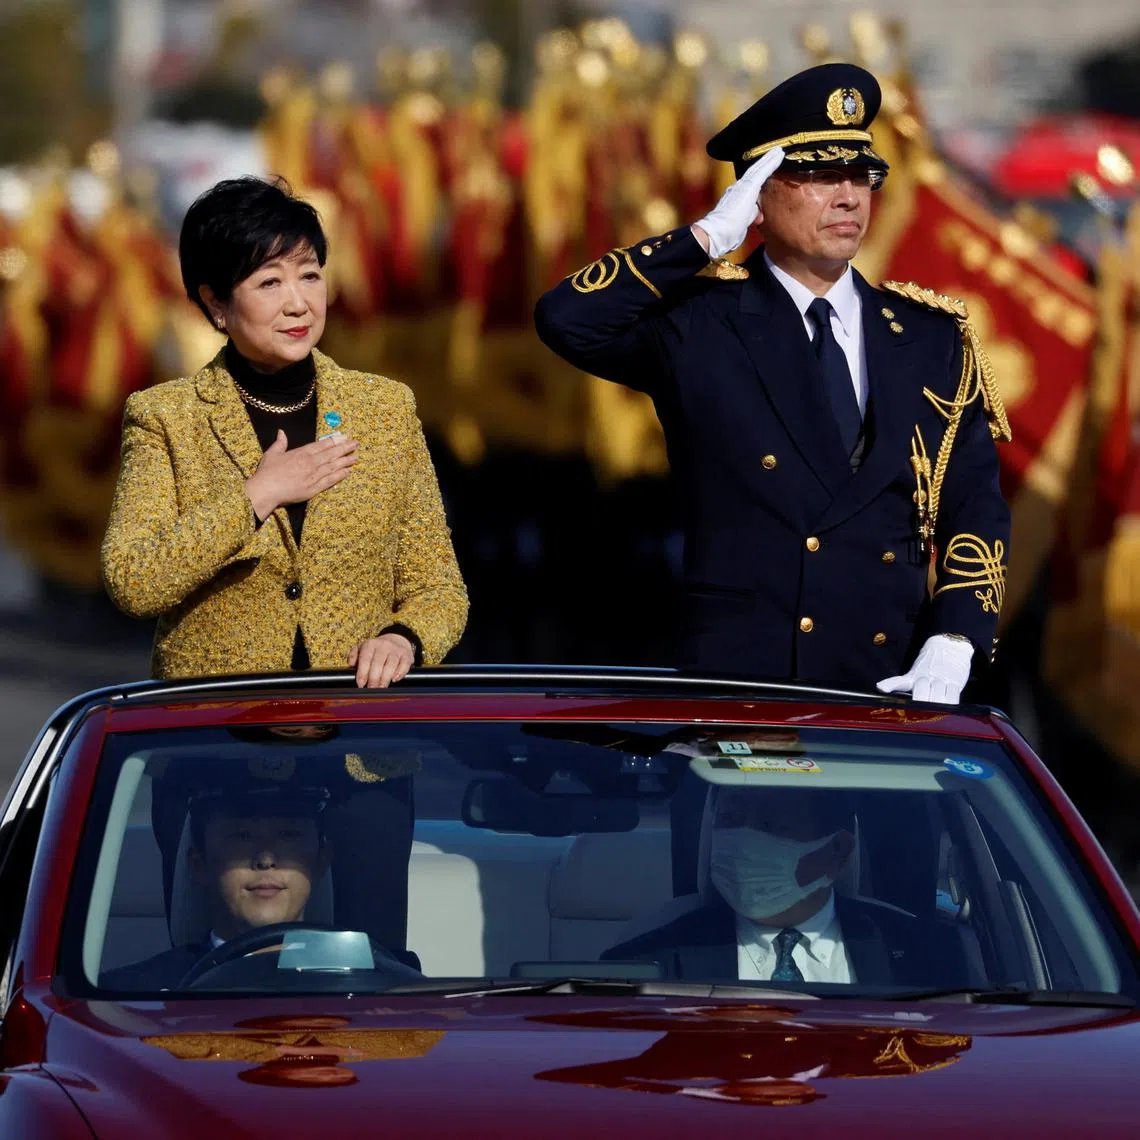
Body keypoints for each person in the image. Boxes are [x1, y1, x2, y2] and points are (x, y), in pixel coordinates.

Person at [534, 63, 1011, 703]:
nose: (849, 197)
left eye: (861, 177)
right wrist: (705, 239)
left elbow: (975, 503)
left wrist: (956, 637)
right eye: (818, 177)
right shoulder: (702, 322)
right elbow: (567, 318)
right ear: (758, 191)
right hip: (746, 687)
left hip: (894, 684)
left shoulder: (929, 336)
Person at [102, 176, 468, 688]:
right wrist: (258, 495)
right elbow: (134, 579)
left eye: (310, 276)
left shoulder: (385, 408)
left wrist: (403, 638)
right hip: (221, 738)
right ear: (216, 304)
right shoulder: (166, 416)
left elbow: (438, 587)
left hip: (359, 738)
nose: (298, 303)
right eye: (269, 283)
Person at [101, 778, 418, 991]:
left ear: (321, 860)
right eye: (242, 837)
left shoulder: (387, 990)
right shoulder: (135, 999)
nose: (266, 858)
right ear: (200, 864)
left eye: (288, 836)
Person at [602, 786, 930, 985]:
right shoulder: (643, 964)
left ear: (837, 851)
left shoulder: (931, 957)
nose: (743, 843)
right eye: (730, 819)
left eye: (770, 825)